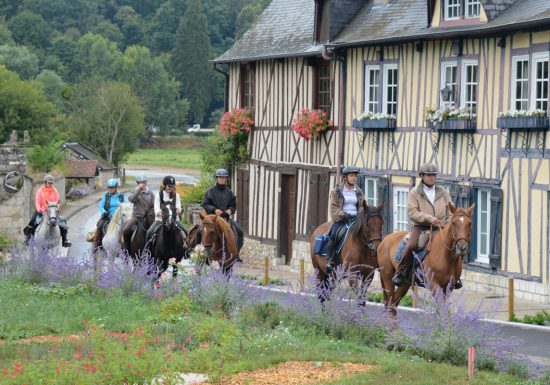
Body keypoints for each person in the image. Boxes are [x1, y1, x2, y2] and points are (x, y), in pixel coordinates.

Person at [392, 162, 461, 289]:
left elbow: (451, 210)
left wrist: (447, 223)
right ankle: (401, 272)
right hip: (421, 227)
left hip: (441, 227)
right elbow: (412, 212)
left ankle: (455, 276)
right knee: (412, 244)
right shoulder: (414, 193)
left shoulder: (443, 192)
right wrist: (429, 218)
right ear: (422, 176)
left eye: (433, 175)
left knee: (454, 245)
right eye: (428, 175)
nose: (431, 177)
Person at [326, 166, 364, 273]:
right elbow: (333, 208)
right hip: (342, 220)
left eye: (355, 176)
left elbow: (362, 206)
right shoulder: (337, 191)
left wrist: (359, 213)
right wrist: (344, 214)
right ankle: (329, 260)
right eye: (351, 176)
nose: (354, 178)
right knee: (333, 235)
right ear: (346, 177)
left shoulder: (359, 191)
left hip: (356, 220)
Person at [202, 168, 244, 261]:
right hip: (212, 220)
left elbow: (233, 205)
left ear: (226, 179)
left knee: (240, 232)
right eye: (220, 177)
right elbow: (205, 204)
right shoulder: (210, 191)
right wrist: (214, 209)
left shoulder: (229, 192)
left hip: (225, 219)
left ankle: (236, 254)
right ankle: (200, 254)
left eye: (224, 178)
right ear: (217, 178)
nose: (222, 179)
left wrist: (231, 210)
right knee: (199, 232)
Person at [23, 174, 71, 247]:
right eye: (49, 183)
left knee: (63, 222)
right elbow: (37, 202)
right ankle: (28, 239)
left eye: (51, 183)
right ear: (45, 182)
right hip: (42, 210)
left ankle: (65, 240)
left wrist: (56, 208)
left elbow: (58, 201)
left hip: (53, 211)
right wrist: (39, 210)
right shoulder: (40, 191)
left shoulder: (55, 191)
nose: (50, 184)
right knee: (32, 222)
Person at [145, 175, 187, 245]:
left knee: (186, 231)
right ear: (165, 185)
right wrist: (165, 215)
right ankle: (146, 251)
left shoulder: (176, 195)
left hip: (175, 220)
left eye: (172, 186)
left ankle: (187, 252)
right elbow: (156, 210)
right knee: (149, 232)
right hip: (160, 220)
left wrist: (174, 213)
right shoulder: (158, 195)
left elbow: (179, 208)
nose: (171, 188)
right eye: (169, 186)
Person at [121, 175, 154, 251]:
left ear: (146, 183)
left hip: (148, 217)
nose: (142, 184)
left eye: (144, 182)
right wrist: (139, 190)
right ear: (138, 183)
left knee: (157, 229)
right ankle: (126, 248)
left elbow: (153, 206)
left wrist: (151, 213)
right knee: (125, 230)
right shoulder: (134, 192)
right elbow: (131, 199)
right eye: (140, 182)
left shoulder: (150, 194)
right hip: (137, 217)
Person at [95, 178, 127, 246]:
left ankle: (127, 244)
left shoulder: (121, 196)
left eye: (112, 188)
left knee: (128, 227)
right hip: (108, 216)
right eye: (109, 187)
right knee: (99, 225)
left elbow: (126, 205)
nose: (110, 189)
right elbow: (101, 207)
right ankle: (96, 242)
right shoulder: (105, 196)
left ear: (116, 188)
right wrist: (104, 212)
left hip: (119, 217)